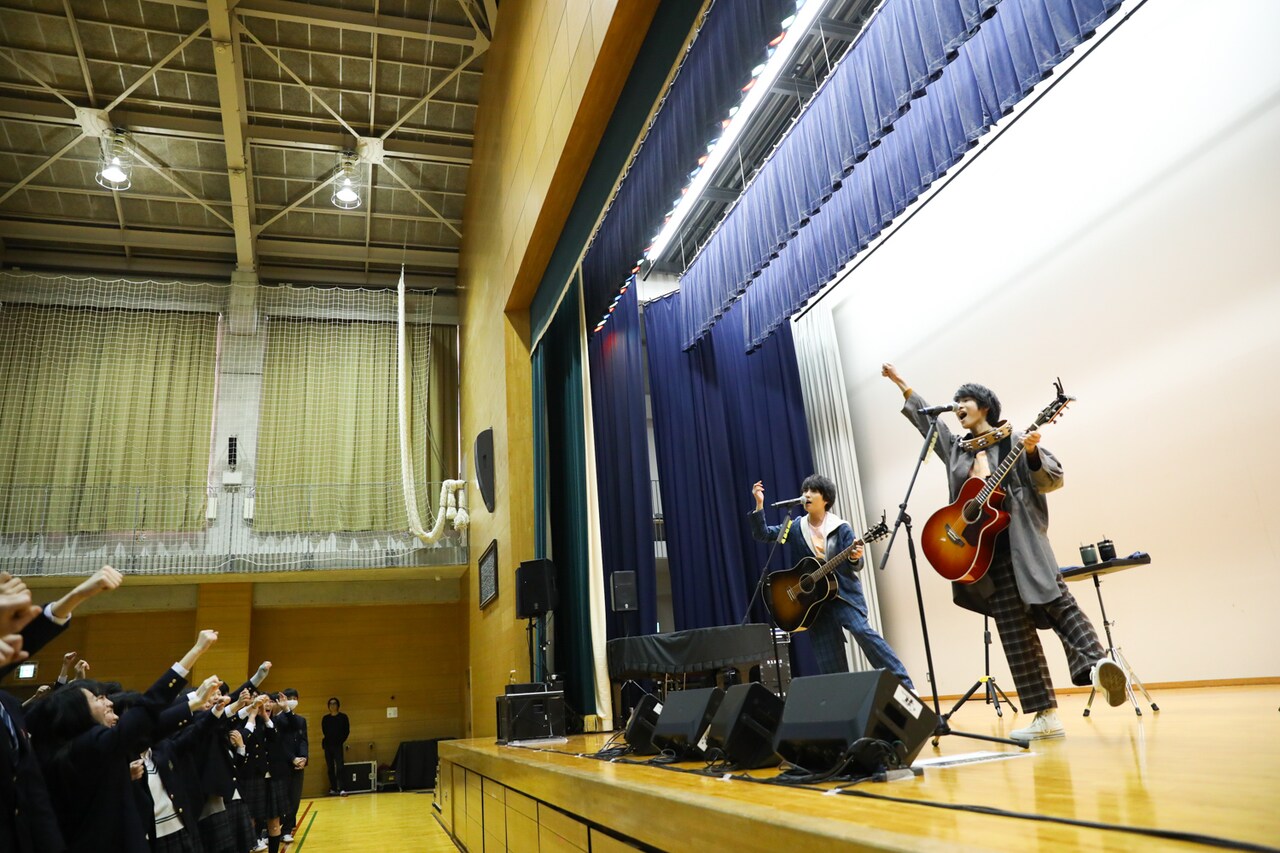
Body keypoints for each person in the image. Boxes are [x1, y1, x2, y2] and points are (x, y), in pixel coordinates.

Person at [881, 363, 1128, 740]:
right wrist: (902, 384)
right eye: (957, 400)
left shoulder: (1014, 441)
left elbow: (1052, 479)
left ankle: (1098, 668)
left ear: (984, 406)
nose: (958, 405)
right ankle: (1045, 717)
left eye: (964, 399)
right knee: (1015, 632)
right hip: (983, 557)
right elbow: (927, 425)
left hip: (1023, 546)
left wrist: (1030, 454)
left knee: (1059, 603)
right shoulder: (958, 452)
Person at [750, 475, 914, 688]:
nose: (806, 495)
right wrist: (759, 503)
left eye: (813, 491)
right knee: (829, 660)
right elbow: (762, 534)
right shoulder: (795, 527)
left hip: (842, 595)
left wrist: (855, 558)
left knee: (863, 632)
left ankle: (906, 686)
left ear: (825, 499)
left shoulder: (840, 527)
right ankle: (845, 704)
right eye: (805, 490)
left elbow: (857, 564)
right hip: (812, 605)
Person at [277, 688, 308, 846]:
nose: (292, 700)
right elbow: (280, 744)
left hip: (298, 766)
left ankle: (287, 829)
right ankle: (277, 827)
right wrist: (292, 759)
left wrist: (303, 758)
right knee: (282, 798)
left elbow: (303, 740)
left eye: (295, 697)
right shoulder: (277, 720)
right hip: (284, 765)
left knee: (294, 799)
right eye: (289, 697)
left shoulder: (301, 720)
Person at [321, 697, 349, 796]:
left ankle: (342, 789)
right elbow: (324, 731)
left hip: (338, 745)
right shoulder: (325, 718)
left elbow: (346, 731)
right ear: (328, 706)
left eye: (334, 703)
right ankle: (333, 788)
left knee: (340, 767)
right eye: (331, 704)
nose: (333, 705)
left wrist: (340, 741)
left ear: (338, 705)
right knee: (330, 768)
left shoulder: (343, 717)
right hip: (328, 745)